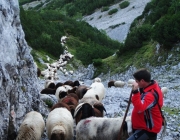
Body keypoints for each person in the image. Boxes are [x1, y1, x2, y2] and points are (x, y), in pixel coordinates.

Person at [127, 68, 163, 140]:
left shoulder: (150, 95)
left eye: (137, 81)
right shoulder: (150, 86)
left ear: (142, 81)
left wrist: (135, 92)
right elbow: (143, 99)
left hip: (148, 130)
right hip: (142, 125)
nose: (136, 83)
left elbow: (140, 109)